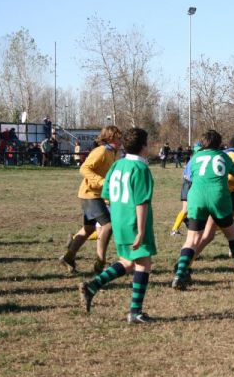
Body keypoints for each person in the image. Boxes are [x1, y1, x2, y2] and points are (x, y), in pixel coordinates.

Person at [79, 127, 156, 324]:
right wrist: (140, 229)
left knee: (127, 262)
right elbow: (141, 202)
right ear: (143, 147)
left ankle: (92, 286)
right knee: (144, 264)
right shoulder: (141, 169)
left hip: (119, 220)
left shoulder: (117, 165)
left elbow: (106, 196)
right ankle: (135, 312)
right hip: (134, 221)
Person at [171, 130, 234, 290]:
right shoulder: (223, 156)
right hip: (218, 196)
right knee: (232, 235)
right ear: (219, 143)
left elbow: (187, 177)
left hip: (196, 197)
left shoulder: (195, 157)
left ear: (203, 143)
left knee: (192, 239)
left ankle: (180, 274)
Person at [58, 126, 122, 274]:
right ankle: (100, 264)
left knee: (88, 229)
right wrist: (101, 182)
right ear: (110, 137)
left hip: (96, 195)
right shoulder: (101, 151)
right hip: (90, 194)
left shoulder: (113, 153)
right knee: (108, 226)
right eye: (119, 138)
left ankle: (68, 257)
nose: (121, 141)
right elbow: (84, 168)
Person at [189, 135, 234, 275]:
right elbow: (230, 177)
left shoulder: (223, 154)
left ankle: (186, 263)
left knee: (208, 235)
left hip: (209, 195)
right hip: (225, 196)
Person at [170, 142, 201, 236]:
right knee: (186, 209)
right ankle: (174, 230)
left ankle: (192, 225)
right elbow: (189, 176)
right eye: (199, 150)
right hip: (188, 186)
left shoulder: (195, 160)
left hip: (189, 185)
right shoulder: (194, 161)